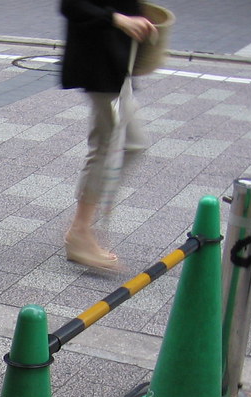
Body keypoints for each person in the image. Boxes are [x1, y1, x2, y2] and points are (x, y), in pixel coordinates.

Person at [60, 1, 156, 272]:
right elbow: (72, 5)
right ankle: (79, 231)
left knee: (127, 143)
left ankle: (81, 225)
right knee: (113, 144)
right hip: (99, 61)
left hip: (115, 60)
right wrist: (119, 20)